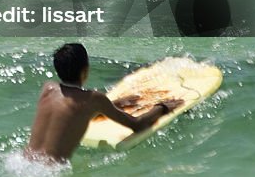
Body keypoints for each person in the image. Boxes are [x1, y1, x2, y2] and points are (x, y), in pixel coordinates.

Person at [25, 43, 178, 164]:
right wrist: (161, 107)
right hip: (48, 173)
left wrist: (112, 104)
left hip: (21, 162)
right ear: (85, 70)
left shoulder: (48, 88)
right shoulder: (93, 99)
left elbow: (70, 113)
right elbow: (137, 125)